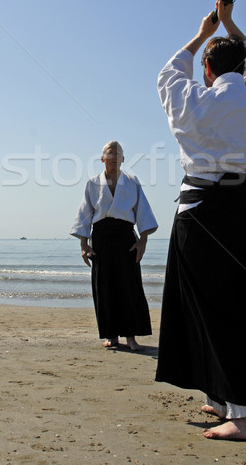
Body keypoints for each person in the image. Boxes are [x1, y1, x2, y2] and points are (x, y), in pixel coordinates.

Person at [155, 0, 246, 440]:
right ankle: (224, 397)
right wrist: (230, 25)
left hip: (203, 212)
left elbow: (168, 73)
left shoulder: (195, 102)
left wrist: (205, 31)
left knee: (218, 305)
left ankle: (245, 416)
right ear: (241, 71)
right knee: (244, 301)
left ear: (207, 73)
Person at [70, 141, 158, 351]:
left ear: (123, 159)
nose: (114, 156)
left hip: (125, 237)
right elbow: (85, 214)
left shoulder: (132, 182)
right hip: (100, 238)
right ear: (103, 158)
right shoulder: (92, 183)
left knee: (129, 285)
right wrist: (84, 244)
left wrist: (142, 241)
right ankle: (112, 336)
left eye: (118, 153)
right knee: (104, 286)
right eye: (110, 153)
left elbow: (143, 212)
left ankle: (131, 337)